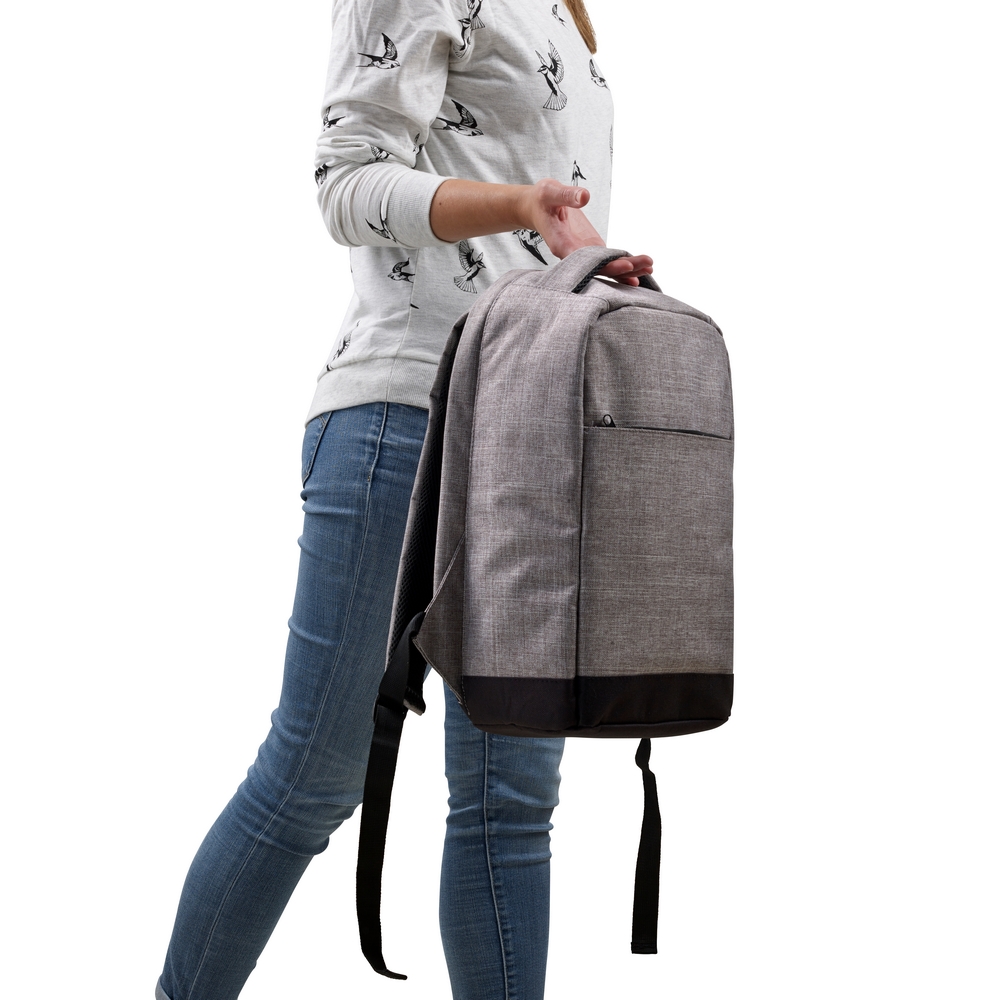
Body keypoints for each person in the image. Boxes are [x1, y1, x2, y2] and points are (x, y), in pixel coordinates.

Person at [155, 2, 652, 998]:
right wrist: (520, 204)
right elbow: (347, 183)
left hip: (526, 431)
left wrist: (590, 279)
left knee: (510, 806)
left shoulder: (564, 14)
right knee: (315, 775)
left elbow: (534, 224)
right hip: (406, 415)